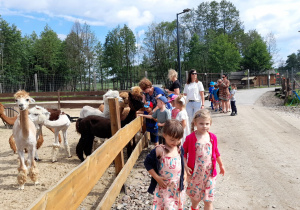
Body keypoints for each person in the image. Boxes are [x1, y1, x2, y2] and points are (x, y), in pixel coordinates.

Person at [183, 109, 225, 210]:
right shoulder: (190, 138)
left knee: (208, 200)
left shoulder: (212, 137)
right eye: (201, 123)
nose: (204, 126)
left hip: (209, 173)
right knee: (195, 199)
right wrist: (185, 166)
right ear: (195, 123)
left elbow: (216, 152)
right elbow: (183, 153)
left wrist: (221, 165)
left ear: (210, 123)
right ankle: (194, 207)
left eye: (207, 123)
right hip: (195, 174)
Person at [144, 119, 185, 209]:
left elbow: (182, 162)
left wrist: (184, 176)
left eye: (178, 140)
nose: (175, 142)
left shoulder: (179, 149)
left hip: (176, 187)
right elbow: (147, 163)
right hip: (164, 187)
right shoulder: (159, 150)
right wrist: (157, 178)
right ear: (164, 135)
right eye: (172, 140)